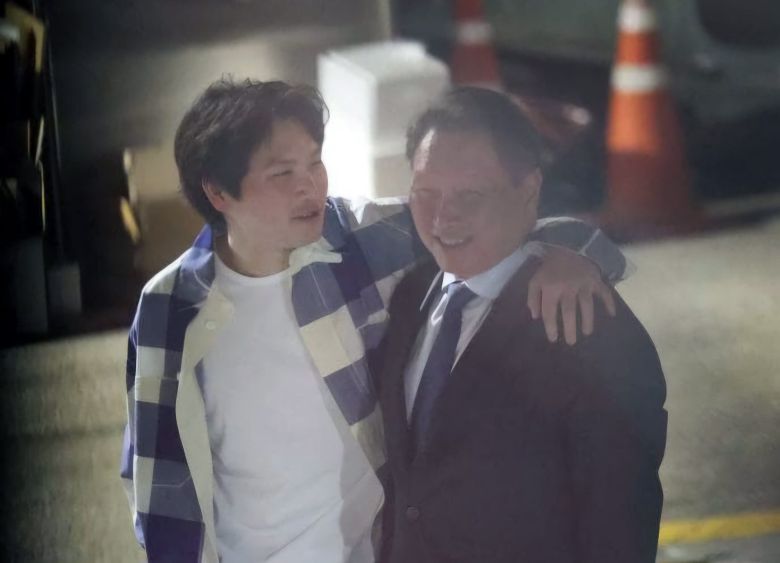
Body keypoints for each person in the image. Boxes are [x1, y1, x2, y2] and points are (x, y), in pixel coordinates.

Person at [120, 78, 629, 563]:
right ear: (218, 193)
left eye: (315, 163)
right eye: (283, 174)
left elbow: (499, 221)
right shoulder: (171, 306)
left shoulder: (361, 239)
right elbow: (156, 479)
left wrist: (573, 253)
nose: (310, 186)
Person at [375, 86, 667, 563]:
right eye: (425, 193)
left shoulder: (587, 329)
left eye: (470, 194)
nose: (443, 216)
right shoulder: (411, 295)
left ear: (529, 190)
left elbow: (619, 524)